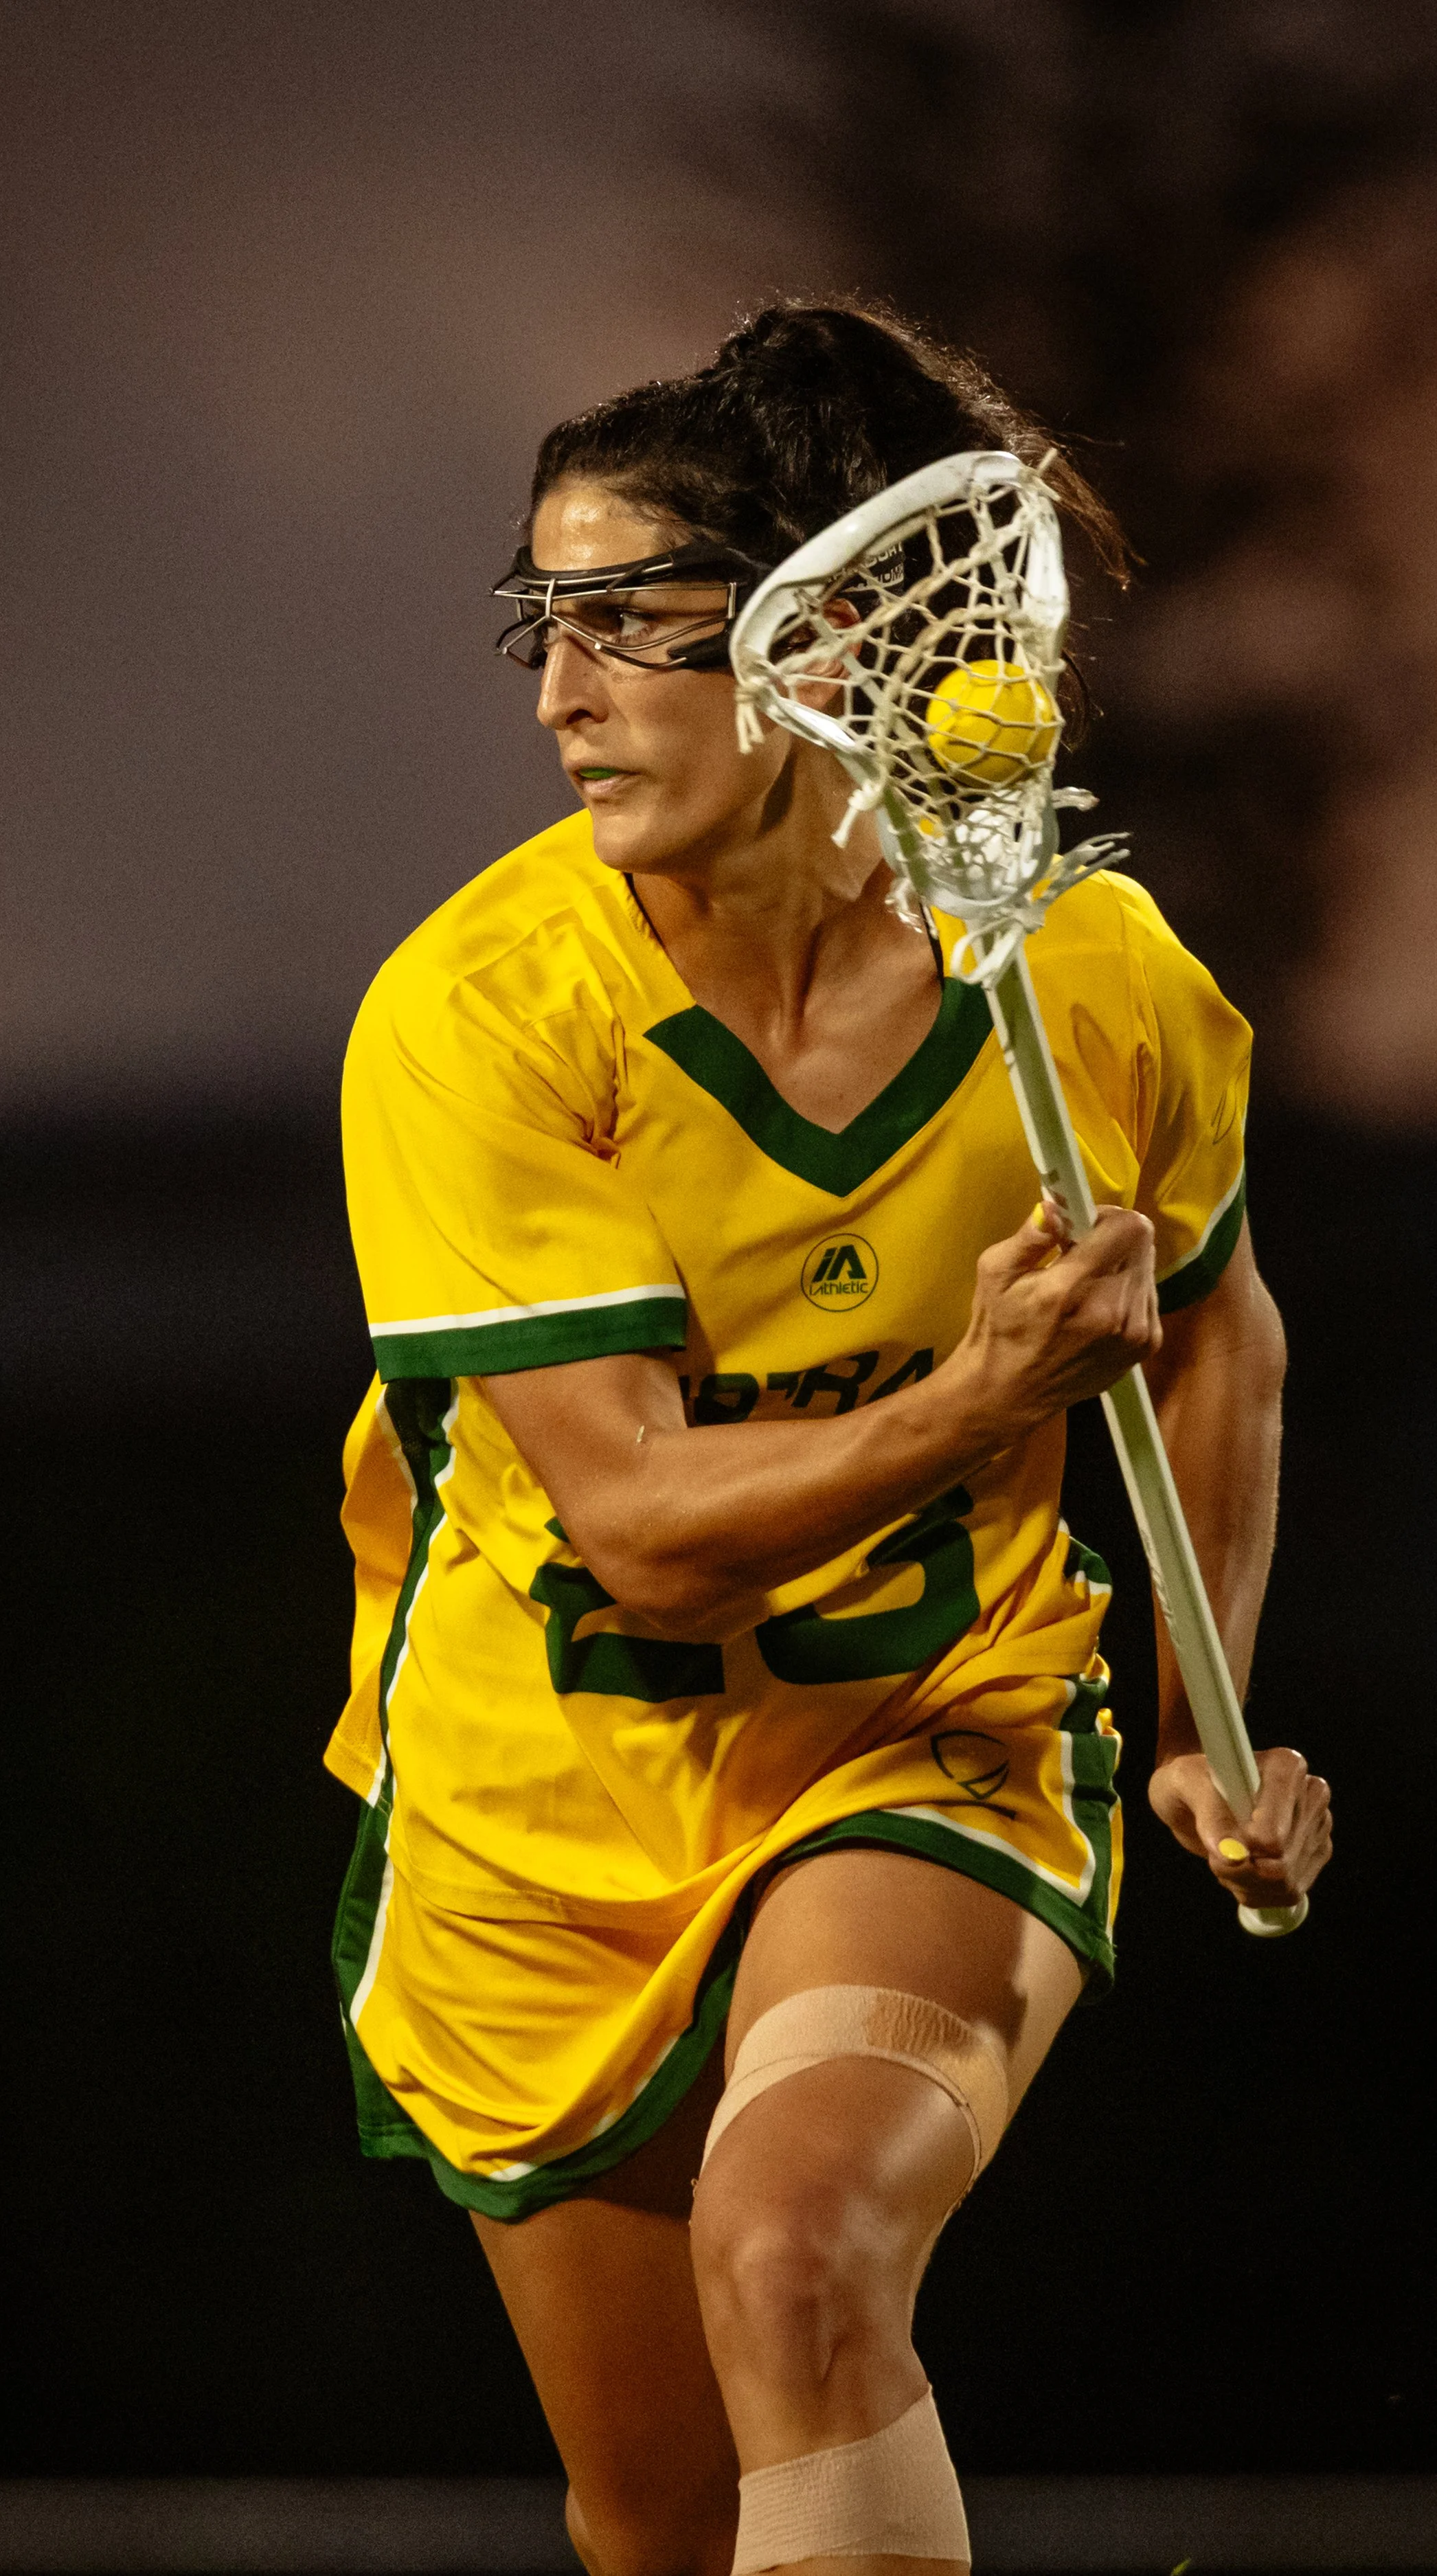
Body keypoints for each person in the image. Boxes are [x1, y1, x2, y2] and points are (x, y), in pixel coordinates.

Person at [326, 302, 1332, 2576]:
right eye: (538, 624)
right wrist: (979, 1396)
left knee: (797, 2255)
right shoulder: (479, 1020)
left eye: (630, 625)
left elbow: (1218, 1339)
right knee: (662, 2517)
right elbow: (651, 1538)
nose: (563, 691)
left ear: (815, 642)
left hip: (927, 1735)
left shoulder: (1088, 981)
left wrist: (1200, 1712)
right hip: (540, 1819)